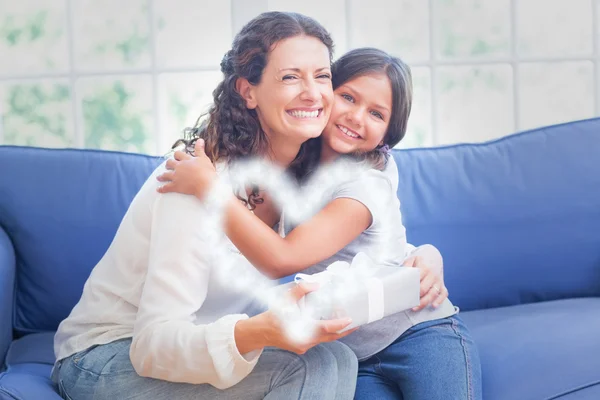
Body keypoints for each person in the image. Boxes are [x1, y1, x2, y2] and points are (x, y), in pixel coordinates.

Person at [51, 12, 360, 400]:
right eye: (290, 77)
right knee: (315, 365)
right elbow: (152, 345)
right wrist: (260, 331)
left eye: (322, 75)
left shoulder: (304, 179)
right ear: (248, 91)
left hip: (193, 350)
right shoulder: (192, 180)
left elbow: (363, 232)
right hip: (104, 358)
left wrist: (425, 257)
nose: (313, 93)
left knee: (337, 358)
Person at [158, 47, 483, 399]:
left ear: (389, 132)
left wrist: (207, 187)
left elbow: (282, 257)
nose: (357, 117)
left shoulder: (368, 181)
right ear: (325, 95)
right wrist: (425, 252)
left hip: (420, 332)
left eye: (376, 113)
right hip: (349, 352)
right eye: (348, 97)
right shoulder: (293, 159)